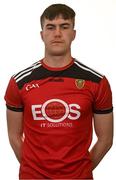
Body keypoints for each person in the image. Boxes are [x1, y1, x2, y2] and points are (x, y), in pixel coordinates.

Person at [4, 3, 113, 179]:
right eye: (50, 27)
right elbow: (14, 136)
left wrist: (80, 171)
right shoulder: (19, 82)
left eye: (64, 26)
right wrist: (34, 169)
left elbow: (106, 139)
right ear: (42, 35)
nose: (57, 33)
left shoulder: (96, 82)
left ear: (74, 33)